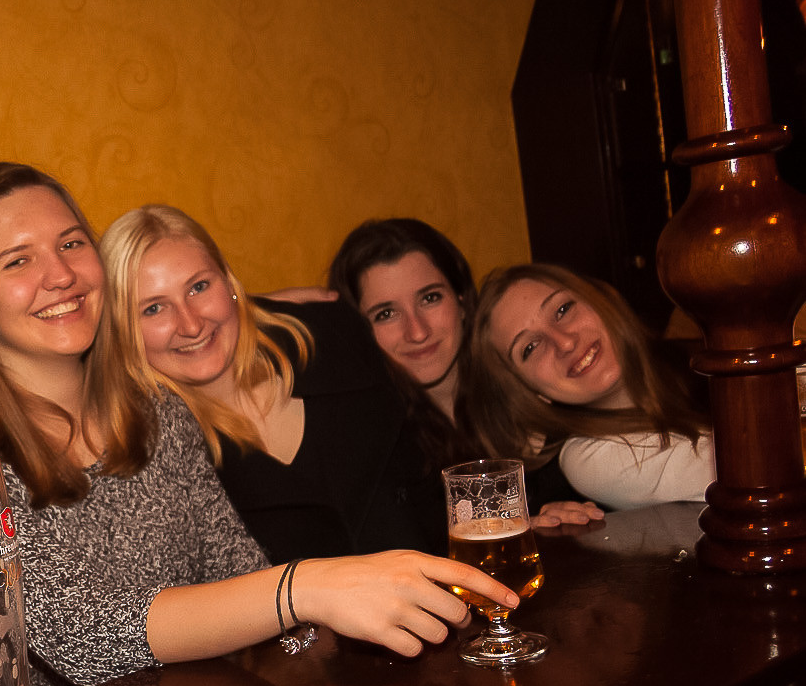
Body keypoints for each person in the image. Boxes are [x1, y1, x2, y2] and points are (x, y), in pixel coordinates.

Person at [0, 162, 518, 686]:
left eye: (71, 243)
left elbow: (239, 572)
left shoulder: (156, 414)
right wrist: (305, 587)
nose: (61, 274)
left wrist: (336, 682)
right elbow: (87, 640)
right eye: (18, 261)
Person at [101, 204, 444, 564]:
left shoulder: (331, 334)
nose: (191, 324)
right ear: (123, 331)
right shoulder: (157, 456)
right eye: (154, 308)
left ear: (228, 281)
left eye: (199, 287)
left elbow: (429, 489)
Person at [327, 218, 603, 525]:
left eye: (430, 298)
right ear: (359, 332)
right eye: (386, 314)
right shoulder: (371, 446)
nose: (417, 331)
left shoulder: (532, 374)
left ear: (461, 301)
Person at [463, 262, 714, 510]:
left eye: (562, 309)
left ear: (601, 297)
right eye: (530, 347)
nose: (565, 343)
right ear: (529, 391)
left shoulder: (700, 357)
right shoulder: (589, 459)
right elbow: (734, 472)